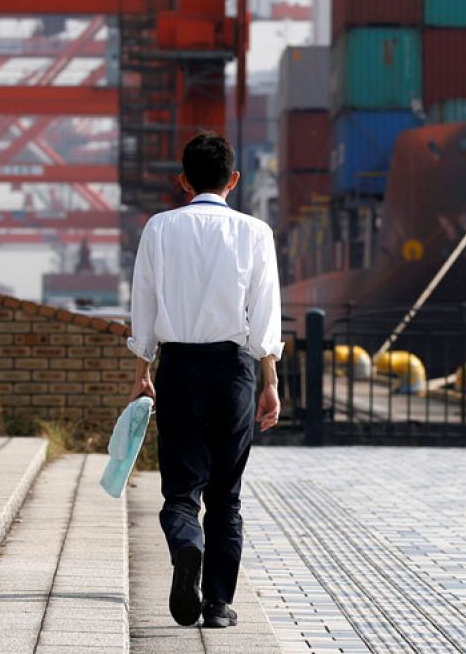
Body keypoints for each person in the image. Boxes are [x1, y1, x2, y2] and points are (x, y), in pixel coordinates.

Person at [127, 132, 282, 629]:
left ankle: (185, 544)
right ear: (234, 180)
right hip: (233, 368)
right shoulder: (255, 232)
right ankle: (217, 605)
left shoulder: (159, 228)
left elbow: (144, 304)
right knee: (226, 496)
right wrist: (270, 380)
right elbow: (265, 314)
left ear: (183, 181)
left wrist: (141, 370)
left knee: (180, 489)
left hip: (178, 367)